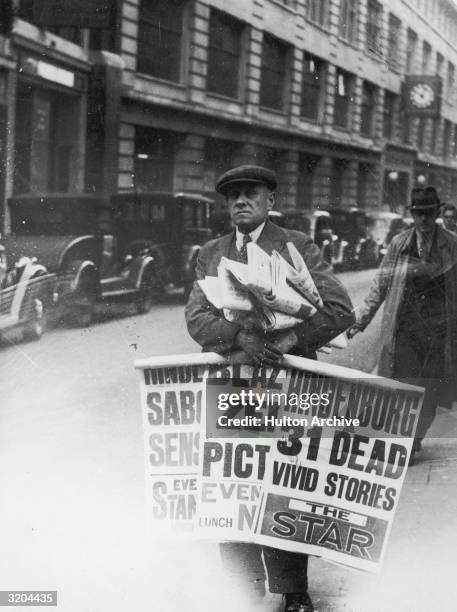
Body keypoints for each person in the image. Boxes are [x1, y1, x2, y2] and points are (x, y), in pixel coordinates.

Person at [185, 165, 355, 612]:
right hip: (232, 385)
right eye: (232, 195)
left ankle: (293, 590)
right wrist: (239, 337)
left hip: (286, 385)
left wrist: (290, 339)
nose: (240, 201)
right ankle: (241, 589)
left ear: (269, 202)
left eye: (250, 193)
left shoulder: (296, 245)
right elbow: (196, 318)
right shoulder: (210, 252)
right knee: (231, 483)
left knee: (284, 482)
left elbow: (339, 310)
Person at [348, 187, 457, 464]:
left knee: (430, 392)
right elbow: (381, 284)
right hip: (405, 329)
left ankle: (415, 439)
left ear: (437, 212)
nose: (423, 220)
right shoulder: (399, 243)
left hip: (438, 331)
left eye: (429, 213)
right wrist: (361, 320)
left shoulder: (451, 243)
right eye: (418, 214)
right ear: (412, 214)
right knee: (403, 386)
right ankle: (403, 442)